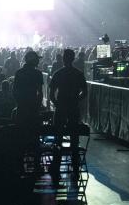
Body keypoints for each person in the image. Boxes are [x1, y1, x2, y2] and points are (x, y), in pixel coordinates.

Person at [49, 48, 88, 177]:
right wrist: (76, 100)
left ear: (64, 59)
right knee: (74, 138)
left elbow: (51, 94)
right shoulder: (78, 74)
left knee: (58, 138)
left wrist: (57, 103)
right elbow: (84, 92)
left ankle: (56, 166)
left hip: (61, 108)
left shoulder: (58, 73)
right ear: (73, 58)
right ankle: (75, 167)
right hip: (73, 108)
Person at [12, 50, 44, 125]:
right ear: (33, 60)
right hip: (33, 108)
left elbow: (14, 90)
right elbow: (40, 92)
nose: (38, 61)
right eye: (37, 59)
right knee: (33, 133)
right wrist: (38, 105)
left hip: (21, 107)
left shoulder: (19, 72)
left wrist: (19, 103)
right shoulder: (37, 73)